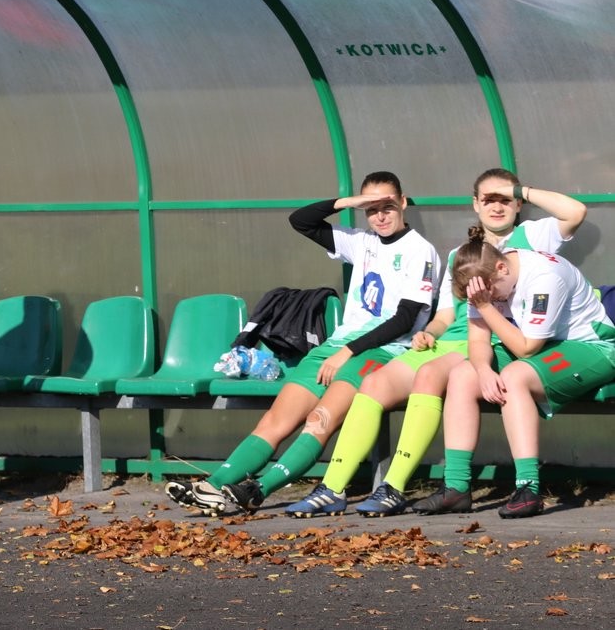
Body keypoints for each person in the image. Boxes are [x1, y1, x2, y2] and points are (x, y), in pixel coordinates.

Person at [286, 170, 586, 517]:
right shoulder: (460, 253)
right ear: (475, 204)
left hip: (492, 340)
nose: (496, 207)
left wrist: (518, 189)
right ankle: (332, 488)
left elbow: (575, 212)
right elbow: (445, 314)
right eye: (488, 199)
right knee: (374, 383)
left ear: (518, 204)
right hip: (452, 341)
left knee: (429, 374)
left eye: (505, 199)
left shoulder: (533, 236)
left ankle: (394, 487)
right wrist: (430, 332)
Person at [165, 172, 440, 515]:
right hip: (337, 347)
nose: (380, 216)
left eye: (387, 206)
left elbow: (405, 319)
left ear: (403, 202)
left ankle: (257, 490)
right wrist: (348, 203)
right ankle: (213, 486)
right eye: (371, 209)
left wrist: (348, 352)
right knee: (276, 420)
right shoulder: (362, 241)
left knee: (319, 419)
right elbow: (301, 221)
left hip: (381, 352)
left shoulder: (420, 251)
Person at [412, 227, 615, 518]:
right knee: (462, 375)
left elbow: (526, 348)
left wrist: (486, 306)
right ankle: (455, 487)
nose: (492, 299)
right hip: (546, 344)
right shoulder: (483, 280)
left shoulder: (544, 277)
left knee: (515, 376)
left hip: (593, 346)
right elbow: (478, 340)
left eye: (492, 293)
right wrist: (483, 369)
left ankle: (528, 489)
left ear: (502, 268)